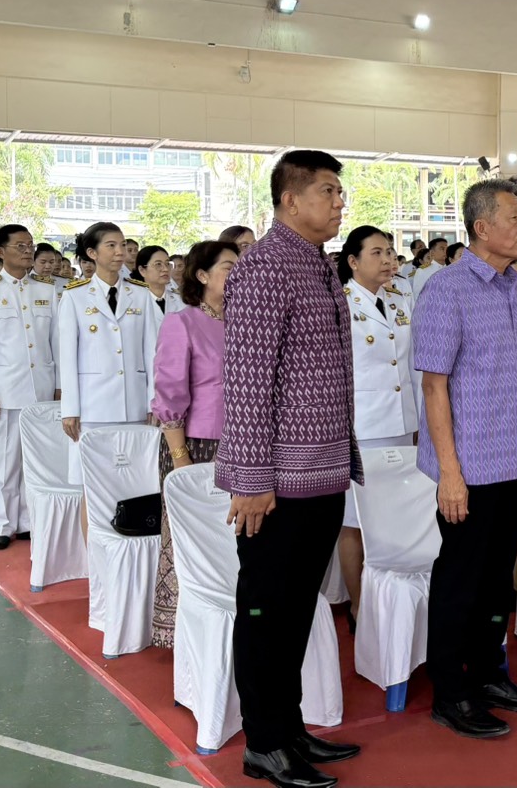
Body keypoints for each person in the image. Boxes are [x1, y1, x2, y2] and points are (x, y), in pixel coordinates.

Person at [217, 151, 362, 788]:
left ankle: (291, 726)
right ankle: (264, 743)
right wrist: (251, 480)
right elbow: (246, 384)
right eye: (328, 192)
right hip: (276, 484)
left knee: (298, 610)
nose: (339, 204)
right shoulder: (264, 268)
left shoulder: (318, 266)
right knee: (266, 612)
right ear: (289, 199)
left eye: (340, 192)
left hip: (323, 475)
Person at [414, 178, 517, 740]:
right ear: (482, 228)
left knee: (498, 581)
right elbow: (433, 385)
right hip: (468, 466)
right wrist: (450, 471)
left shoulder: (515, 284)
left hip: (510, 460)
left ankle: (489, 672)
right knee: (461, 579)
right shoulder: (447, 289)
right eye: (515, 219)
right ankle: (451, 692)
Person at [150, 239, 240, 649]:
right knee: (188, 539)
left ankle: (235, 619)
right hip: (196, 445)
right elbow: (168, 394)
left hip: (244, 445)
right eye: (227, 267)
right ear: (202, 276)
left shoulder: (245, 320)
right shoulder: (181, 322)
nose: (237, 274)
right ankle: (183, 632)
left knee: (235, 539)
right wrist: (181, 458)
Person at [336, 225, 417, 630]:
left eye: (391, 253)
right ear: (353, 261)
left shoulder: (401, 298)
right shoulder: (340, 302)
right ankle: (358, 604)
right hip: (362, 426)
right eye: (377, 253)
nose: (388, 260)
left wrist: (421, 420)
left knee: (394, 515)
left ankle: (391, 598)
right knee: (356, 519)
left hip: (402, 422)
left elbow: (412, 365)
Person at [0, 224, 59, 550]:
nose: (27, 251)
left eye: (30, 245)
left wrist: (60, 385)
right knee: (4, 461)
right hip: (5, 391)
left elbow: (56, 343)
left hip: (42, 389)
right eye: (20, 246)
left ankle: (27, 520)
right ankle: (1, 524)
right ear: (0, 252)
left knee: (35, 461)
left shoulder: (46, 290)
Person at [57, 221, 161, 491]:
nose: (120, 251)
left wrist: (153, 401)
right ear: (92, 253)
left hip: (134, 401)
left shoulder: (140, 294)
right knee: (92, 483)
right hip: (94, 406)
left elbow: (151, 352)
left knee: (135, 480)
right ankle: (93, 534)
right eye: (111, 245)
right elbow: (67, 358)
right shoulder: (75, 297)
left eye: (123, 245)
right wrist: (70, 409)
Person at [135, 244, 184, 315]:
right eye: (158, 264)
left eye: (167, 264)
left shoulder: (180, 299)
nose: (165, 269)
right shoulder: (133, 301)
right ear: (142, 270)